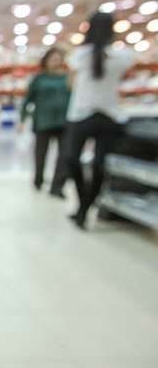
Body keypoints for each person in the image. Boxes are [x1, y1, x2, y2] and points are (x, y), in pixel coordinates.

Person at [64, 12, 134, 229]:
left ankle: (83, 208)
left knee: (77, 161)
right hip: (97, 114)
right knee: (96, 165)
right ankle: (85, 205)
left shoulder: (83, 56)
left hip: (93, 114)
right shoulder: (116, 56)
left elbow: (71, 83)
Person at [19, 47, 70, 197]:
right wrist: (22, 119)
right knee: (41, 154)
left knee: (64, 155)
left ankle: (57, 186)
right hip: (43, 121)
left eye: (58, 59)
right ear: (46, 61)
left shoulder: (67, 78)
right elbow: (28, 100)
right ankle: (38, 180)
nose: (56, 62)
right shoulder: (39, 79)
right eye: (53, 59)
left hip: (64, 121)